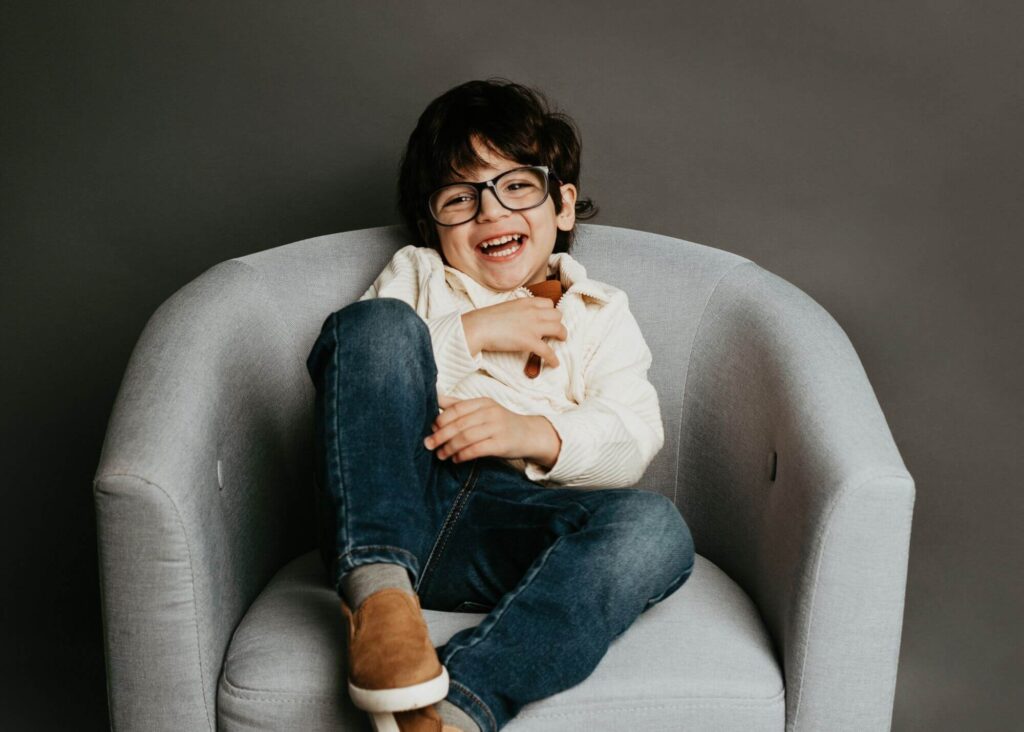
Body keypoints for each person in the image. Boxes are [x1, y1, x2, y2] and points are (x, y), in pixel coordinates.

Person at [306, 78, 695, 732]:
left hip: (500, 523)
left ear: (562, 205)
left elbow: (633, 435)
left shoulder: (600, 314)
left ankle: (454, 707)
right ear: (433, 223)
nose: (490, 212)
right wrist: (472, 335)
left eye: (515, 186)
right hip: (395, 500)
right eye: (460, 198)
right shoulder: (419, 276)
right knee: (372, 324)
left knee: (655, 527)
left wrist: (531, 432)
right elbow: (361, 382)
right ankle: (381, 603)